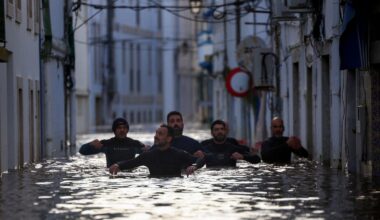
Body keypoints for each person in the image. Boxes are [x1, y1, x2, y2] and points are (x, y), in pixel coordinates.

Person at [109, 124, 204, 177]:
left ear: (169, 139)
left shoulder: (178, 154)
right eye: (156, 133)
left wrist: (194, 166)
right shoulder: (149, 156)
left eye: (160, 134)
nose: (155, 136)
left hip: (174, 188)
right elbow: (131, 163)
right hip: (154, 187)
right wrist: (118, 165)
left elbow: (201, 160)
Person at [79, 118, 148, 167]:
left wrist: (148, 148)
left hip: (130, 177)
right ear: (114, 130)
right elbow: (82, 151)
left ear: (127, 130)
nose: (122, 130)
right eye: (119, 128)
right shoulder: (107, 144)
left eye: (124, 128)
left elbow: (151, 152)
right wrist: (90, 144)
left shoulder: (134, 144)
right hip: (113, 176)